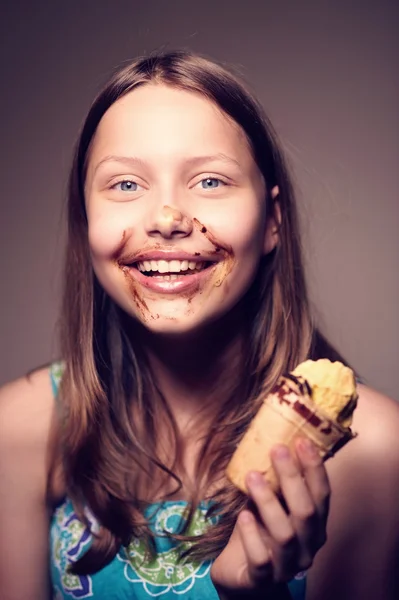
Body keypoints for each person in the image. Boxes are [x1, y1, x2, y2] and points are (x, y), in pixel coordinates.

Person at [0, 50, 398, 600]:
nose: (167, 219)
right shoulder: (18, 430)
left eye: (210, 181)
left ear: (272, 222)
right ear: (86, 220)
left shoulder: (374, 451)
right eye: (125, 185)